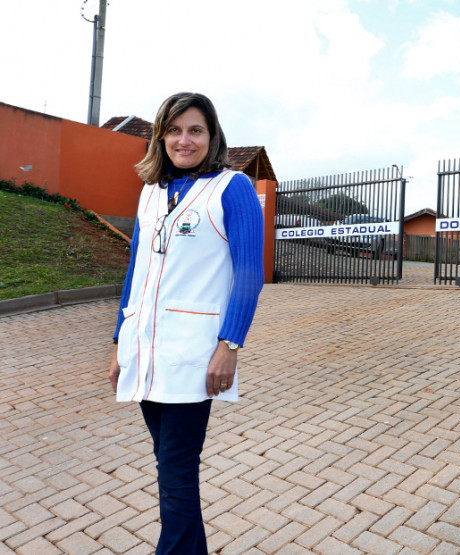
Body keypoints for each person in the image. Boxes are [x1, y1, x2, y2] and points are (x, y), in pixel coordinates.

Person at [108, 92, 264, 554]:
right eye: (174, 130)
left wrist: (229, 345)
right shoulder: (150, 192)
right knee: (171, 467)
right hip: (145, 349)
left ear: (212, 136)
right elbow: (136, 270)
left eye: (195, 130)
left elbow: (249, 274)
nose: (184, 139)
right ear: (160, 137)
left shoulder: (231, 188)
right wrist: (120, 341)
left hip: (194, 357)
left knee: (175, 469)